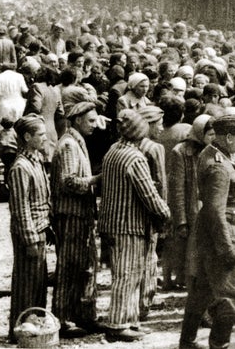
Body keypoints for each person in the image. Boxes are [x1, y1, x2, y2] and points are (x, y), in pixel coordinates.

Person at [99, 109, 171, 342]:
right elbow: (149, 194)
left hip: (111, 222)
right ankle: (118, 323)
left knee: (125, 274)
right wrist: (165, 212)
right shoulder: (135, 158)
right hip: (129, 225)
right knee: (127, 276)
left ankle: (129, 320)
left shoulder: (113, 151)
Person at [179, 115, 235, 349]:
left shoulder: (210, 153)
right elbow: (215, 211)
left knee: (203, 291)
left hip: (210, 235)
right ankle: (219, 345)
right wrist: (226, 248)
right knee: (234, 297)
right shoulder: (220, 165)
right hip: (222, 234)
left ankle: (187, 341)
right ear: (228, 137)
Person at [50, 102, 102, 337]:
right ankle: (61, 319)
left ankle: (82, 314)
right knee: (68, 268)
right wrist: (96, 180)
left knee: (84, 266)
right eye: (91, 121)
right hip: (70, 215)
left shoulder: (77, 141)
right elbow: (68, 181)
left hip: (80, 215)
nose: (95, 125)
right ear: (77, 120)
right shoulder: (69, 145)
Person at [7, 114, 53, 343]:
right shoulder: (20, 167)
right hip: (30, 233)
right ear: (27, 137)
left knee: (37, 283)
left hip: (40, 229)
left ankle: (32, 328)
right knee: (26, 285)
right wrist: (31, 240)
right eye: (41, 135)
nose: (45, 138)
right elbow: (21, 208)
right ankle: (20, 331)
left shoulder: (36, 160)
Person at [164, 114, 215, 291]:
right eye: (210, 134)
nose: (213, 138)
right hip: (191, 209)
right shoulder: (181, 152)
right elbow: (176, 189)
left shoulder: (215, 152)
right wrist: (181, 220)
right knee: (189, 252)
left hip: (208, 208)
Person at [136, 105, 167, 323]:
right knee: (150, 255)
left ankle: (142, 299)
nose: (162, 128)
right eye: (158, 124)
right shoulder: (154, 148)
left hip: (136, 208)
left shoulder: (132, 145)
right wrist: (163, 211)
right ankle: (145, 301)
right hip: (152, 206)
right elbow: (161, 182)